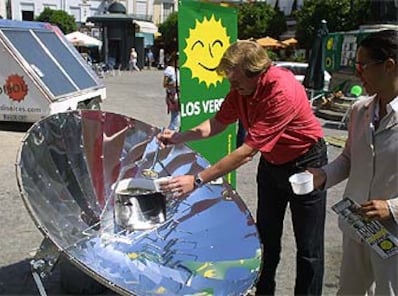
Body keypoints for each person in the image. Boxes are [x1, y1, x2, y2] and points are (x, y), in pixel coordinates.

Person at [158, 40, 328, 295]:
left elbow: (246, 152)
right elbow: (217, 123)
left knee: (308, 249)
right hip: (272, 164)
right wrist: (179, 137)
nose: (232, 87)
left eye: (236, 82)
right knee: (266, 239)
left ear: (257, 74)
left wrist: (197, 180)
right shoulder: (241, 90)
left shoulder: (281, 91)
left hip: (306, 165)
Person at [308, 29, 398, 295]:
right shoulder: (360, 109)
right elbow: (349, 158)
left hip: (393, 235)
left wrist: (392, 208)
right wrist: (323, 175)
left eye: (363, 66)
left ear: (390, 66)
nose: (358, 74)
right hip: (358, 225)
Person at [163, 53, 180, 131]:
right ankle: (170, 133)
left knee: (178, 117)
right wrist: (175, 85)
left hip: (179, 95)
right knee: (176, 118)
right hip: (173, 96)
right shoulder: (169, 69)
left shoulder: (178, 69)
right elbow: (164, 84)